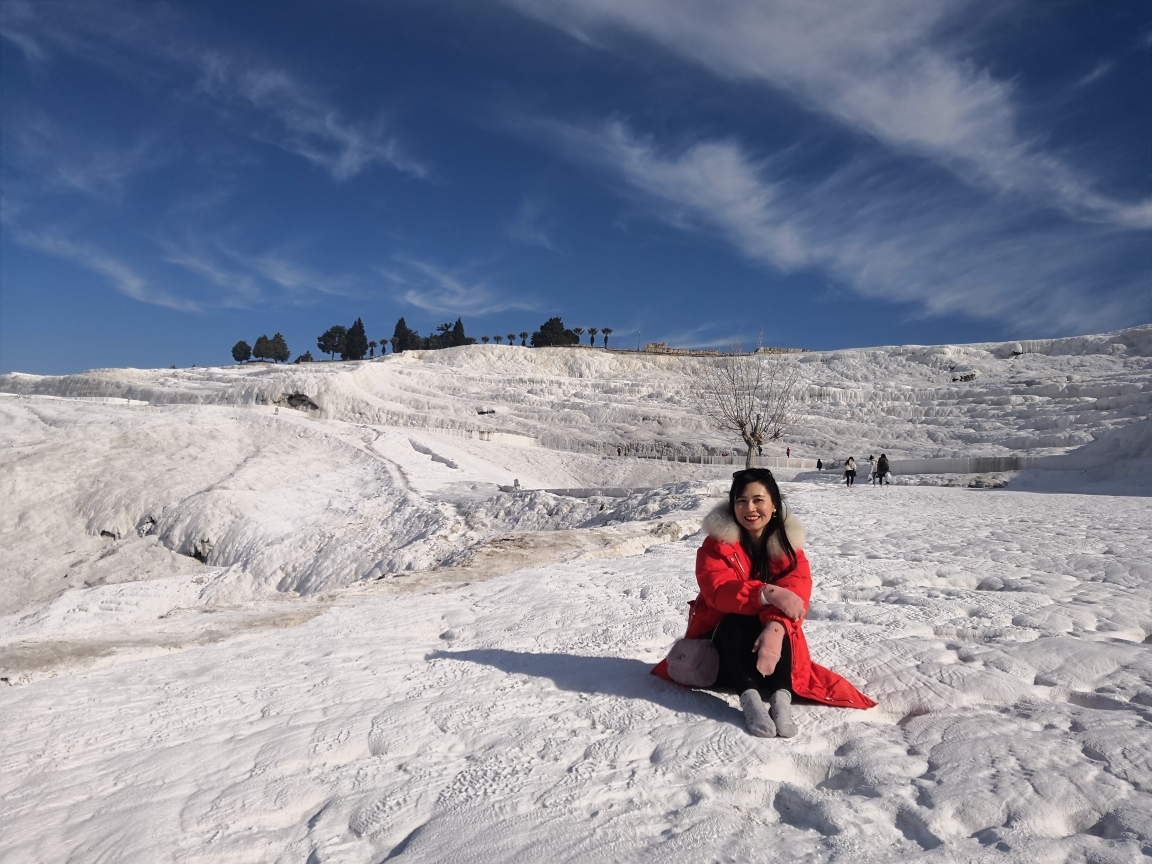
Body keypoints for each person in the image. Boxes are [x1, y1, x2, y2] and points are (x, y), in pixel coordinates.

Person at [652, 468, 875, 737]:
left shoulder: (789, 548)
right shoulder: (716, 546)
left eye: (758, 500)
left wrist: (776, 627)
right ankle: (751, 700)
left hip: (773, 650)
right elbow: (718, 591)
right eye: (741, 501)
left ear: (774, 505)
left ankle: (781, 701)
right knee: (736, 619)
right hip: (723, 645)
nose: (750, 508)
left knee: (781, 627)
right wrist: (768, 593)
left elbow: (796, 594)